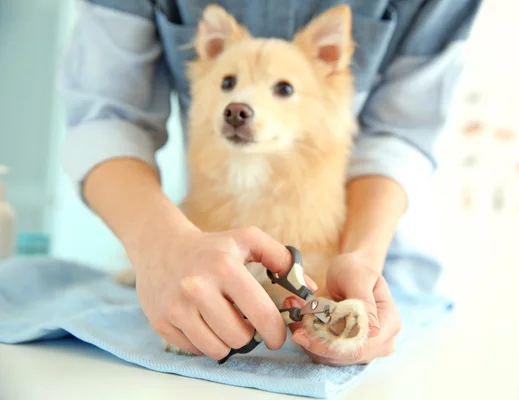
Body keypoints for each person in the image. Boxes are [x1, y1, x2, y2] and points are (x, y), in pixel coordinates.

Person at [59, 0, 482, 365]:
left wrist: (360, 259)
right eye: (228, 83)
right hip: (197, 221)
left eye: (282, 88)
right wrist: (160, 247)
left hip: (384, 254)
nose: (238, 105)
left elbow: (400, 135)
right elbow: (105, 116)